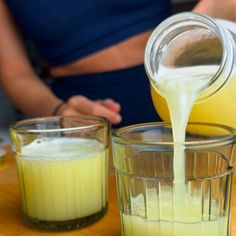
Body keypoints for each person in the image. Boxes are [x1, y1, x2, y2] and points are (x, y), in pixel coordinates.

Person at [0, 0, 235, 127]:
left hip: (190, 83)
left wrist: (191, 32)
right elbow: (15, 75)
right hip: (90, 118)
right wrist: (61, 112)